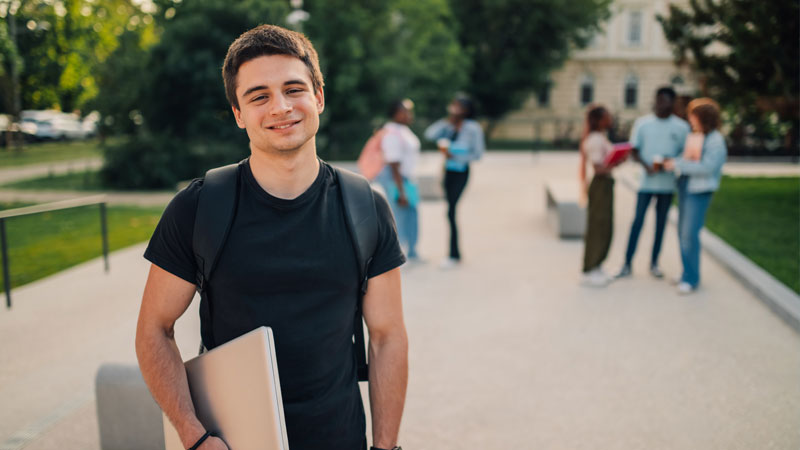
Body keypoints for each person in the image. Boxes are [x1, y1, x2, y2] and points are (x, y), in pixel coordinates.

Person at [135, 25, 408, 450]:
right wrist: (194, 436)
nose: (280, 107)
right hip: (234, 440)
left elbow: (388, 336)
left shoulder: (365, 207)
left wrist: (386, 447)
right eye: (258, 96)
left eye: (293, 89)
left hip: (340, 438)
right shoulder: (199, 208)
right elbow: (154, 330)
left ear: (318, 96)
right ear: (239, 114)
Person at [616, 87, 690, 279]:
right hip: (646, 183)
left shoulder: (681, 127)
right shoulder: (643, 124)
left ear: (672, 103)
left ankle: (654, 262)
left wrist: (671, 162)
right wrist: (646, 166)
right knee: (637, 222)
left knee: (660, 224)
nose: (660, 104)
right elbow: (635, 149)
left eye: (664, 101)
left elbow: (686, 153)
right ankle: (627, 263)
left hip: (667, 185)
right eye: (658, 100)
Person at [663, 98, 727, 295]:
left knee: (689, 234)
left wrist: (678, 165)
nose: (690, 119)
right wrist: (674, 162)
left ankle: (691, 279)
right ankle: (686, 273)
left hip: (699, 191)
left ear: (703, 117)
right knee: (682, 233)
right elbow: (689, 158)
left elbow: (708, 167)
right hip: (686, 187)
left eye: (693, 115)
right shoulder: (697, 136)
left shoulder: (716, 140)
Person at [424, 95, 485, 269]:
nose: (454, 109)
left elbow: (478, 154)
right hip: (447, 172)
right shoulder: (449, 126)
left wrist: (456, 156)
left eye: (458, 106)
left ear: (466, 109)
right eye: (453, 106)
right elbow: (430, 134)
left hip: (461, 172)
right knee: (449, 211)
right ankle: (454, 253)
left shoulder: (472, 128)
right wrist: (447, 121)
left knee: (451, 211)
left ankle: (454, 254)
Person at [579, 105, 626, 286]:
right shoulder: (594, 140)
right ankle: (589, 267)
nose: (611, 119)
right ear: (599, 120)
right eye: (607, 117)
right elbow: (598, 168)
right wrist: (616, 162)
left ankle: (598, 264)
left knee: (605, 225)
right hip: (600, 185)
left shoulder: (600, 138)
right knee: (597, 226)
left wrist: (617, 160)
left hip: (605, 184)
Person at [376, 99, 422, 261]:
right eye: (406, 111)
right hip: (398, 179)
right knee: (401, 214)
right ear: (396, 113)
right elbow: (394, 164)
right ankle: (401, 252)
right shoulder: (392, 133)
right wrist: (401, 190)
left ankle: (412, 250)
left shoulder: (402, 130)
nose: (409, 114)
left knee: (411, 214)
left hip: (407, 179)